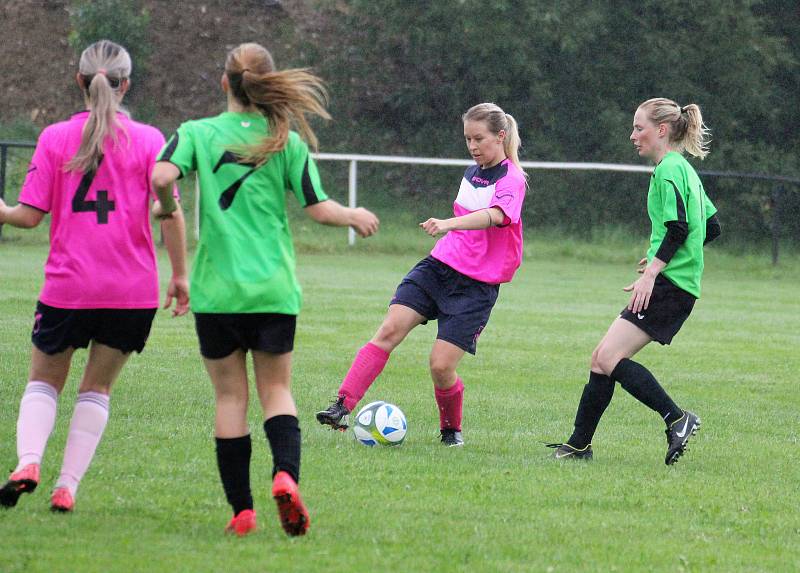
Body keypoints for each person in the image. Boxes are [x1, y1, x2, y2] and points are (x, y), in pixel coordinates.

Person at [151, 42, 379, 537]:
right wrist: (354, 215)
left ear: (224, 83)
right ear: (267, 84)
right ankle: (284, 477)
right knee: (276, 391)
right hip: (273, 290)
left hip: (216, 293)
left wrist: (164, 204)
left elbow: (161, 175)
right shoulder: (286, 142)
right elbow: (319, 209)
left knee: (231, 400)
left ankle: (242, 513)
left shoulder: (196, 133)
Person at [0, 40, 189, 513]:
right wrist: (180, 276)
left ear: (79, 81)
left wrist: (1, 210)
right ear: (126, 84)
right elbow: (170, 214)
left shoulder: (55, 137)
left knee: (44, 384)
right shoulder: (150, 140)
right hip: (131, 292)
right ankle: (67, 486)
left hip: (69, 287)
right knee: (97, 389)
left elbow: (27, 216)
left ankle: (28, 462)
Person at [316, 102, 527, 447]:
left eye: (479, 139)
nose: (473, 146)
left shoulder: (512, 178)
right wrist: (449, 232)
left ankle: (451, 431)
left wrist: (448, 224)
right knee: (389, 329)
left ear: (501, 136)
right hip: (438, 268)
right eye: (467, 139)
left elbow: (496, 216)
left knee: (441, 366)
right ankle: (341, 406)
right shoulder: (471, 171)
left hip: (475, 287)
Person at [548, 97, 721, 465]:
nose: (633, 135)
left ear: (661, 130)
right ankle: (579, 445)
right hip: (674, 280)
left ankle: (677, 417)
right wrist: (665, 251)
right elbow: (711, 227)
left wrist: (656, 269)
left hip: (670, 286)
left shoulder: (669, 169)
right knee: (601, 359)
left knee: (609, 357)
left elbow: (679, 227)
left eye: (639, 128)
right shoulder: (683, 169)